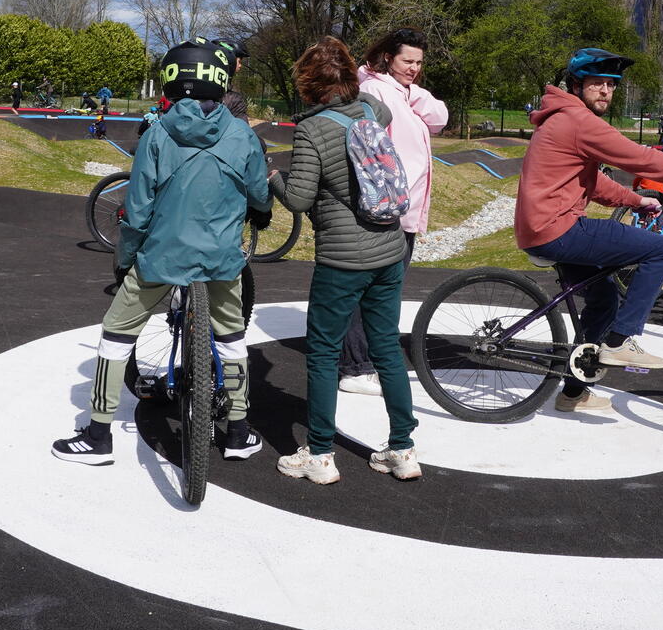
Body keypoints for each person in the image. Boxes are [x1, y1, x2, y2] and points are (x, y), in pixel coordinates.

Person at [53, 40, 271, 466]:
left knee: (116, 333)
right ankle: (238, 430)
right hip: (221, 258)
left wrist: (124, 260)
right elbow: (259, 194)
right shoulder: (242, 133)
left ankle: (98, 434)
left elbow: (137, 211)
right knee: (231, 337)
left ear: (172, 79)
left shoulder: (157, 133)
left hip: (162, 255)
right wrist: (259, 214)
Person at [518, 48, 663, 412]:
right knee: (661, 250)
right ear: (576, 85)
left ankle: (573, 393)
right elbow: (641, 158)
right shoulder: (577, 120)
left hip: (543, 227)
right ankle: (621, 341)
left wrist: (636, 200)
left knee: (605, 299)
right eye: (596, 83)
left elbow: (592, 182)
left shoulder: (563, 118)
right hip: (558, 227)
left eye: (611, 85)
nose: (605, 91)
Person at [270, 38, 420, 483]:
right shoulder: (372, 109)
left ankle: (319, 455)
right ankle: (402, 450)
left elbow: (299, 199)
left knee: (323, 353)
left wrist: (274, 177)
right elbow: (385, 113)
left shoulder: (312, 130)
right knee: (386, 348)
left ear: (308, 84)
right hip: (389, 248)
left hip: (342, 258)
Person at [326, 28, 451, 397]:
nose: (414, 68)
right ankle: (355, 366)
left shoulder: (402, 91)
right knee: (372, 288)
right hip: (384, 206)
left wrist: (413, 92)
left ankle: (365, 360)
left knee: (385, 288)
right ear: (386, 58)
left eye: (419, 63)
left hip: (401, 208)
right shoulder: (376, 90)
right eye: (407, 61)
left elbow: (440, 117)